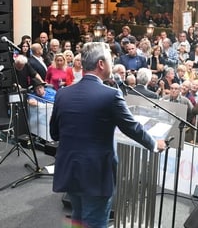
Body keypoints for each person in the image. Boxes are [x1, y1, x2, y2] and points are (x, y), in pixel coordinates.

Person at [50, 42, 166, 228]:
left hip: (70, 169)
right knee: (94, 222)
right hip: (96, 174)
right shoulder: (110, 95)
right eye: (110, 60)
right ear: (101, 64)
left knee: (78, 219)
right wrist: (154, 144)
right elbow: (132, 127)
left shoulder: (63, 94)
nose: (112, 63)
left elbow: (54, 133)